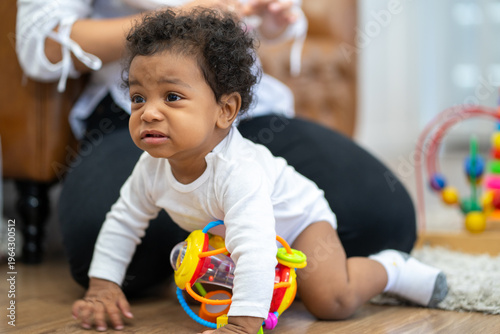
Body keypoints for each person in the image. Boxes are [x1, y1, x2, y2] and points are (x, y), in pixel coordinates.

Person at [16, 0, 421, 328]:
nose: (149, 113)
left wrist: (245, 321)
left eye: (171, 97)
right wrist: (102, 286)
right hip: (232, 229)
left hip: (296, 222)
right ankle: (264, 285)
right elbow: (123, 221)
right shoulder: (150, 167)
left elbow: (257, 243)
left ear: (226, 110)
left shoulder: (237, 171)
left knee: (331, 300)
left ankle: (392, 271)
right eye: (139, 98)